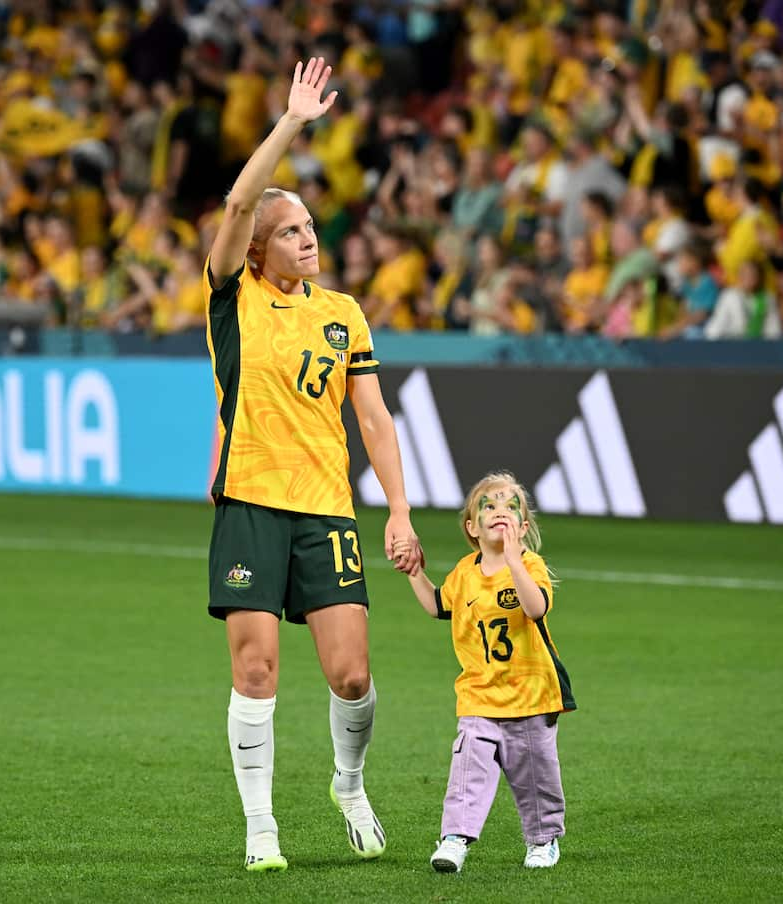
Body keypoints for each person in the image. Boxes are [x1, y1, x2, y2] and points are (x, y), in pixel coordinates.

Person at [203, 57, 422, 872]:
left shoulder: (343, 315)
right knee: (256, 668)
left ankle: (350, 783)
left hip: (328, 507)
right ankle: (262, 827)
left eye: (310, 228)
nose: (309, 239)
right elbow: (235, 202)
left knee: (352, 674)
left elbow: (372, 416)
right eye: (292, 231)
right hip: (252, 503)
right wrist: (292, 123)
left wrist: (398, 508)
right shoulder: (234, 295)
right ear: (258, 250)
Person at [395, 472, 575, 874]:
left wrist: (514, 558)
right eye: (488, 506)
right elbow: (439, 606)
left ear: (523, 527)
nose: (500, 512)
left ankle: (543, 840)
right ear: (472, 527)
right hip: (479, 694)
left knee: (535, 776)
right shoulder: (464, 573)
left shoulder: (530, 565)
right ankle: (455, 839)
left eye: (511, 507)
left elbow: (535, 608)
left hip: (531, 696)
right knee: (468, 764)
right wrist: (413, 573)